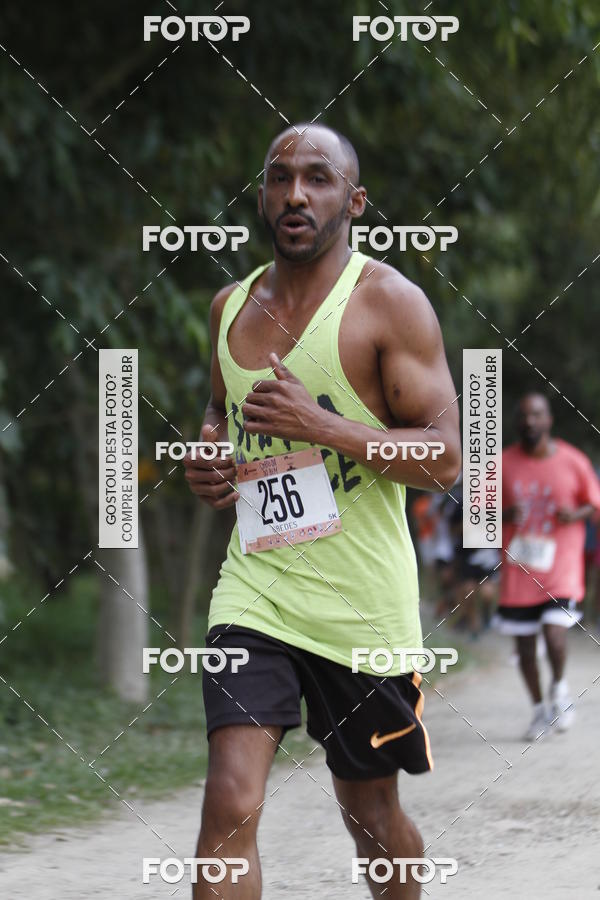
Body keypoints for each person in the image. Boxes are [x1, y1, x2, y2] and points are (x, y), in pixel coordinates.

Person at [184, 122, 461, 899]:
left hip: (362, 606)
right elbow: (219, 410)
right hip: (257, 590)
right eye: (279, 179)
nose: (295, 195)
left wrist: (323, 426)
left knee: (370, 813)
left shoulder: (390, 305)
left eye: (317, 178)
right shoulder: (230, 307)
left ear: (355, 201)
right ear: (262, 196)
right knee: (229, 799)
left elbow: (447, 459)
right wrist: (209, 455)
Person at [495, 392, 600, 741]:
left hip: (561, 567)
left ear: (549, 420)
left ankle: (559, 689)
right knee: (525, 647)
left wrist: (576, 514)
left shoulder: (573, 460)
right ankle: (540, 709)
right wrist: (505, 514)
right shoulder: (502, 463)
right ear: (516, 422)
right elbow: (476, 517)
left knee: (555, 633)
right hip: (520, 570)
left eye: (537, 414)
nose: (530, 421)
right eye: (524, 415)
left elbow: (594, 503)